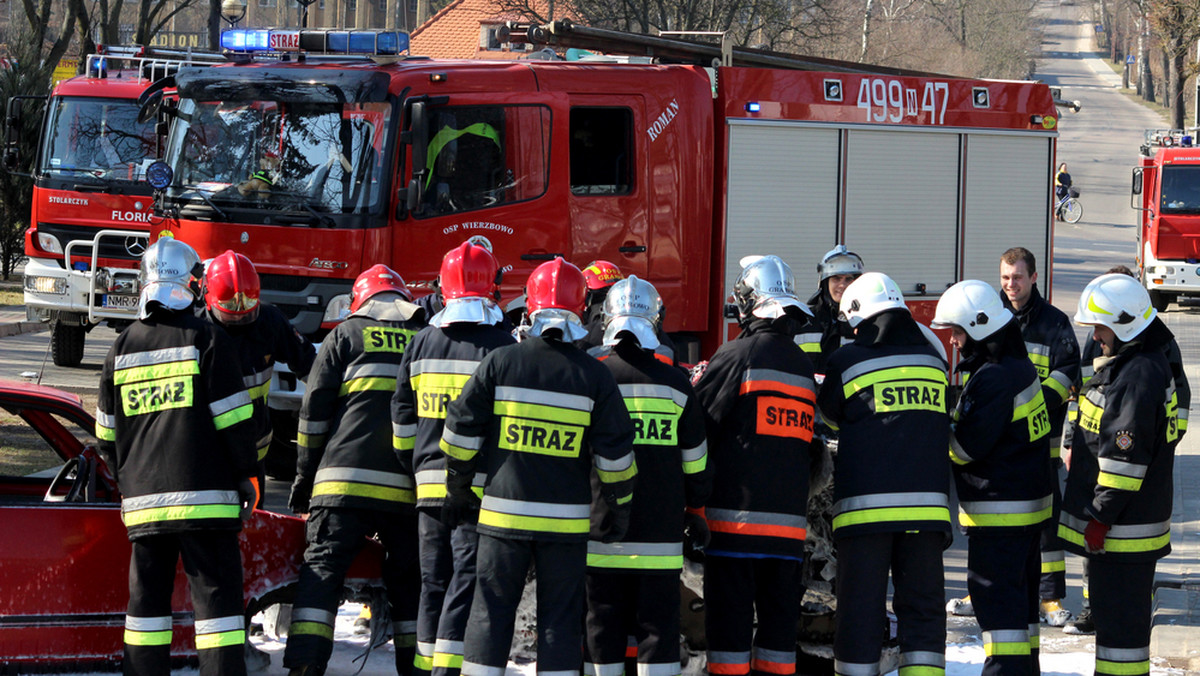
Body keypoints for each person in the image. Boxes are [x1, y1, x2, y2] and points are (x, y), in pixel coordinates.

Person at [439, 257, 637, 676]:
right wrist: (619, 509)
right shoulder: (594, 376)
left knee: (489, 613)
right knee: (560, 622)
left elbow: (460, 429)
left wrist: (458, 487)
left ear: (530, 305)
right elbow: (616, 456)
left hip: (501, 518)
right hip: (564, 529)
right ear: (581, 309)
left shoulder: (500, 363)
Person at [95, 236, 258, 676]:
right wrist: (248, 476)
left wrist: (131, 484)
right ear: (190, 285)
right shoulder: (207, 339)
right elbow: (235, 421)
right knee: (218, 612)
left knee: (146, 610)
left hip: (144, 508)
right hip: (207, 503)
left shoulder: (120, 348)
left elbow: (106, 437)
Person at [284, 264, 426, 676]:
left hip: (340, 483)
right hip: (405, 488)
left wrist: (304, 480)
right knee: (409, 581)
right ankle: (415, 667)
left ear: (360, 303)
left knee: (322, 572)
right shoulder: (424, 340)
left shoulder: (343, 336)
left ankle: (306, 666)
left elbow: (313, 419)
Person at [816, 272, 951, 676]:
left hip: (865, 514)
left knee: (860, 611)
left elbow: (830, 418)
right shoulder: (934, 361)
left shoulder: (846, 361)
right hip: (927, 515)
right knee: (924, 613)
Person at [391, 242, 516, 676]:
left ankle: (426, 669)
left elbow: (402, 415)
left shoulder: (422, 341)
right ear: (492, 287)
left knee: (433, 584)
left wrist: (416, 464)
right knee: (466, 582)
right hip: (477, 488)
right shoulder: (502, 347)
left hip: (427, 486)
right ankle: (448, 670)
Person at [693, 254, 817, 676]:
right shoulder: (801, 364)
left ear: (749, 302)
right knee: (779, 639)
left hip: (735, 528)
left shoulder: (737, 354)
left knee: (729, 636)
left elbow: (697, 423)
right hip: (787, 531)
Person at [584, 275, 711, 676]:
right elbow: (696, 461)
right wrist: (695, 509)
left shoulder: (591, 376)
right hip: (660, 535)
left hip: (601, 531)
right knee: (658, 632)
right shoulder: (676, 385)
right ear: (656, 323)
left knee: (601, 629)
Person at [931, 280, 1054, 675]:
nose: (953, 341)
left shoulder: (994, 378)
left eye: (958, 331)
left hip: (999, 519)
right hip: (1027, 514)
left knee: (999, 617)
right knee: (1021, 617)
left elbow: (966, 449)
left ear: (979, 328)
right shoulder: (1017, 367)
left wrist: (938, 426)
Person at [1060, 265, 1189, 636]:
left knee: (1120, 635)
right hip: (1127, 529)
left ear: (1125, 326)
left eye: (1100, 328)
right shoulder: (1138, 365)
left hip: (1123, 532)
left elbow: (1124, 463)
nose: (1096, 337)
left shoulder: (1135, 377)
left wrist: (1099, 518)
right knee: (1119, 635)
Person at [996, 247, 1079, 627]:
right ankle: (984, 587)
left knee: (1046, 526)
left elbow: (1067, 374)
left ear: (1033, 278)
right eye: (1005, 278)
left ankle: (1049, 598)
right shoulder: (989, 318)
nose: (1010, 285)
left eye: (1017, 277)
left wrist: (1032, 406)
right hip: (998, 446)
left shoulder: (1055, 323)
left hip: (1040, 448)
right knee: (992, 522)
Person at [202, 249, 316, 498]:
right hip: (207, 454)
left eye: (247, 307)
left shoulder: (270, 321)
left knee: (255, 526)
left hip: (254, 454)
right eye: (230, 308)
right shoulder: (195, 329)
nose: (240, 315)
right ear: (206, 297)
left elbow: (310, 365)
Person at [806, 245, 864, 373]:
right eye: (836, 278)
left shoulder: (864, 323)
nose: (842, 285)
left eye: (848, 279)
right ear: (825, 283)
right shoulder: (804, 320)